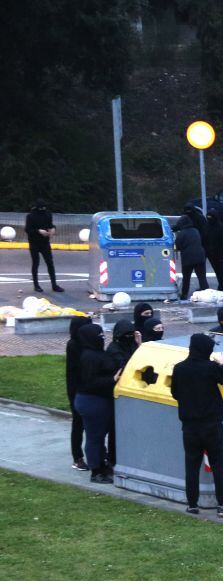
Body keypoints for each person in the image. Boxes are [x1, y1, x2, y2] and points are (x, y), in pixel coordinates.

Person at [170, 334, 223, 517]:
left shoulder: (179, 369)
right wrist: (222, 362)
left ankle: (193, 504)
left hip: (189, 426)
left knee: (191, 465)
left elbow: (175, 393)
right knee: (218, 463)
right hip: (211, 424)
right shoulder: (210, 367)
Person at [73, 324, 120, 484]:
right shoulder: (89, 357)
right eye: (99, 335)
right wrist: (112, 379)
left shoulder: (96, 353)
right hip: (92, 401)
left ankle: (101, 465)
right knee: (95, 437)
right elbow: (90, 382)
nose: (102, 337)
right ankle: (96, 470)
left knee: (98, 436)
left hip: (97, 401)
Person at [65, 316, 93, 471]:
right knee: (78, 424)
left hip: (85, 389)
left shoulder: (85, 343)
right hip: (77, 390)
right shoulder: (74, 345)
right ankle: (77, 457)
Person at [25, 199, 63, 293]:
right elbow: (28, 230)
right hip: (34, 243)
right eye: (41, 208)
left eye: (44, 208)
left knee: (50, 263)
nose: (43, 210)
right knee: (35, 263)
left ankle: (54, 285)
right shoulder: (30, 216)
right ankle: (36, 285)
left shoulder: (48, 214)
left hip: (45, 242)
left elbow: (50, 225)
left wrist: (53, 228)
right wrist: (38, 231)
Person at [173, 213, 208, 301]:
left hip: (188, 259)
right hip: (200, 257)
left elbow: (178, 247)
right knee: (201, 276)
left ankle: (184, 295)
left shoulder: (181, 234)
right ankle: (206, 292)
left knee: (186, 278)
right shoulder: (196, 230)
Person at [205, 210, 223, 294]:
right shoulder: (208, 226)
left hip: (221, 254)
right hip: (212, 254)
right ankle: (221, 286)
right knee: (218, 271)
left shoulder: (220, 227)